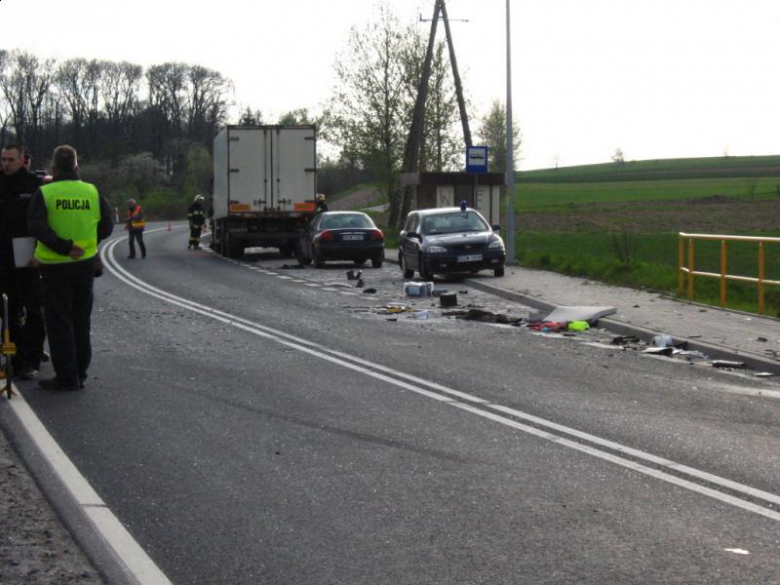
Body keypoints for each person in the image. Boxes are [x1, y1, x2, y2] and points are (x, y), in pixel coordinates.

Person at [27, 145, 113, 391]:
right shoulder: (92, 192)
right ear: (76, 167)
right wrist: (86, 243)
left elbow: (36, 226)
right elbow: (107, 226)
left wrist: (64, 247)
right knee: (80, 320)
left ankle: (66, 376)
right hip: (85, 265)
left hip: (55, 267)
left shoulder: (45, 193)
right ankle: (80, 372)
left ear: (53, 168)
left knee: (59, 322)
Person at [0, 144, 45, 380]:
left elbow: (43, 221)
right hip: (3, 253)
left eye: (11, 160)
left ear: (21, 160)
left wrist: (39, 252)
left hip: (27, 250)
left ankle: (32, 359)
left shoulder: (34, 185)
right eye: (3, 159)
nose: (6, 164)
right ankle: (13, 357)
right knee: (8, 309)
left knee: (33, 309)